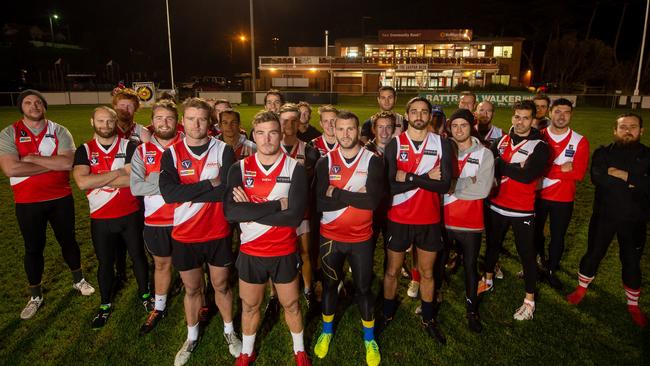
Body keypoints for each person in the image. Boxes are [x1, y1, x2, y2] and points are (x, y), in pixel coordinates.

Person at [157, 98, 242, 365]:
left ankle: (230, 331)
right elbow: (169, 194)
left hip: (217, 233)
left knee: (221, 285)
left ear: (209, 122)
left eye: (202, 119)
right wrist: (209, 183)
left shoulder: (224, 151)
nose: (196, 124)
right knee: (192, 289)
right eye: (191, 118)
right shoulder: (171, 153)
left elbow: (227, 192)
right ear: (183, 121)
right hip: (185, 235)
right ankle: (191, 336)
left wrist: (190, 192)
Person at [224, 110, 311, 366]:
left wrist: (249, 212)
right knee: (250, 306)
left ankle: (299, 350)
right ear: (253, 135)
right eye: (260, 133)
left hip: (283, 251)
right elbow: (231, 212)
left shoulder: (295, 168)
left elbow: (294, 217)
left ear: (281, 134)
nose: (267, 138)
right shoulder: (239, 168)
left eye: (273, 132)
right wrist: (276, 205)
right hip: (251, 253)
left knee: (292, 304)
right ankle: (247, 352)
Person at [0, 89, 95, 320]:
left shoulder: (59, 130)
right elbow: (11, 168)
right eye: (28, 103)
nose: (34, 106)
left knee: (68, 240)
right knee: (33, 248)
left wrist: (31, 158)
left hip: (60, 198)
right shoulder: (9, 133)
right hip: (27, 201)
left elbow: (69, 163)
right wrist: (53, 163)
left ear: (44, 106)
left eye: (38, 102)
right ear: (21, 107)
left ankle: (78, 280)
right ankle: (35, 295)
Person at [313, 110, 384, 366]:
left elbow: (374, 201)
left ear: (359, 131)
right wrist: (357, 196)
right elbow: (320, 202)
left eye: (350, 129)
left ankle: (368, 338)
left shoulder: (373, 160)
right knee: (330, 286)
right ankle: (327, 332)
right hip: (330, 238)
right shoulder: (325, 161)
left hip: (361, 239)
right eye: (340, 129)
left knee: (364, 289)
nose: (345, 134)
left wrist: (337, 192)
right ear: (333, 130)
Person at [566, 113, 649, 328]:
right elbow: (597, 178)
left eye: (633, 127)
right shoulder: (603, 152)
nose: (628, 130)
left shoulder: (648, 155)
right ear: (615, 131)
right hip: (603, 216)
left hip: (635, 220)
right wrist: (635, 182)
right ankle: (581, 289)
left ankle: (633, 304)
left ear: (641, 131)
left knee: (631, 262)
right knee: (593, 254)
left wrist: (622, 175)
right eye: (623, 127)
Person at [72, 106, 151, 329]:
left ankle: (145, 296)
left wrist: (97, 177)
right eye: (100, 121)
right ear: (92, 122)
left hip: (130, 214)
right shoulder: (84, 150)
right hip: (100, 217)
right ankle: (105, 304)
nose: (105, 125)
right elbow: (81, 182)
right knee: (105, 262)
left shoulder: (129, 145)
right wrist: (118, 173)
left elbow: (133, 181)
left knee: (138, 257)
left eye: (109, 121)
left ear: (115, 122)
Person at [381, 97, 452, 344]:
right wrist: (424, 178)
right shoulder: (395, 144)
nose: (419, 116)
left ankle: (429, 318)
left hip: (429, 219)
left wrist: (409, 177)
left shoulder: (442, 144)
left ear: (430, 115)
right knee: (391, 271)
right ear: (407, 115)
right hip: (398, 218)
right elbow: (389, 186)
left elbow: (444, 184)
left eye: (424, 111)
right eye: (414, 111)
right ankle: (387, 313)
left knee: (427, 272)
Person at [477, 100, 549, 321]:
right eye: (517, 116)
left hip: (522, 210)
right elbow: (487, 167)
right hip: (496, 205)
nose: (520, 122)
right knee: (492, 246)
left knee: (526, 255)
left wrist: (503, 165)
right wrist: (512, 167)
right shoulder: (500, 141)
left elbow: (528, 176)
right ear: (512, 117)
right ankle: (487, 280)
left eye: (525, 118)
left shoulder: (541, 146)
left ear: (533, 120)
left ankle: (529, 301)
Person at [130, 99, 183, 335]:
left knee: (193, 268)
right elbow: (136, 188)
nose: (164, 122)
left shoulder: (188, 147)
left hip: (186, 219)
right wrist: (170, 183)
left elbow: (195, 182)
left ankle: (201, 303)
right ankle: (159, 307)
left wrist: (154, 182)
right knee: (161, 264)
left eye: (169, 118)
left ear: (178, 121)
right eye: (159, 118)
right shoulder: (142, 150)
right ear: (151, 122)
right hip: (156, 220)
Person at [442, 109, 494, 333]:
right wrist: (467, 182)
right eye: (455, 126)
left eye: (463, 125)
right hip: (442, 220)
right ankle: (432, 301)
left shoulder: (485, 154)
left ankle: (472, 311)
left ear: (471, 126)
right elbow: (436, 182)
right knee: (437, 265)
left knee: (470, 268)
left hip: (470, 223)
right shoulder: (444, 151)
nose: (459, 130)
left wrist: (452, 184)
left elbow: (482, 189)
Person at [534, 98, 589, 289]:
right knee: (535, 233)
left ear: (571, 115)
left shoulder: (579, 140)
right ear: (550, 112)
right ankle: (537, 264)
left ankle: (551, 270)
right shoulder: (538, 136)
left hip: (563, 198)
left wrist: (548, 168)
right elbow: (534, 169)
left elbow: (579, 173)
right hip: (538, 196)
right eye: (558, 111)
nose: (561, 116)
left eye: (566, 112)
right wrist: (561, 169)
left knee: (558, 236)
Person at [279, 104, 320, 306]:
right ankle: (274, 294)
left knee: (305, 252)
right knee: (278, 253)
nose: (289, 124)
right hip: (276, 211)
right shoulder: (269, 147)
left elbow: (315, 185)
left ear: (300, 122)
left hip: (302, 211)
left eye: (293, 120)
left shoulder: (310, 151)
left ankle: (307, 288)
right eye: (284, 120)